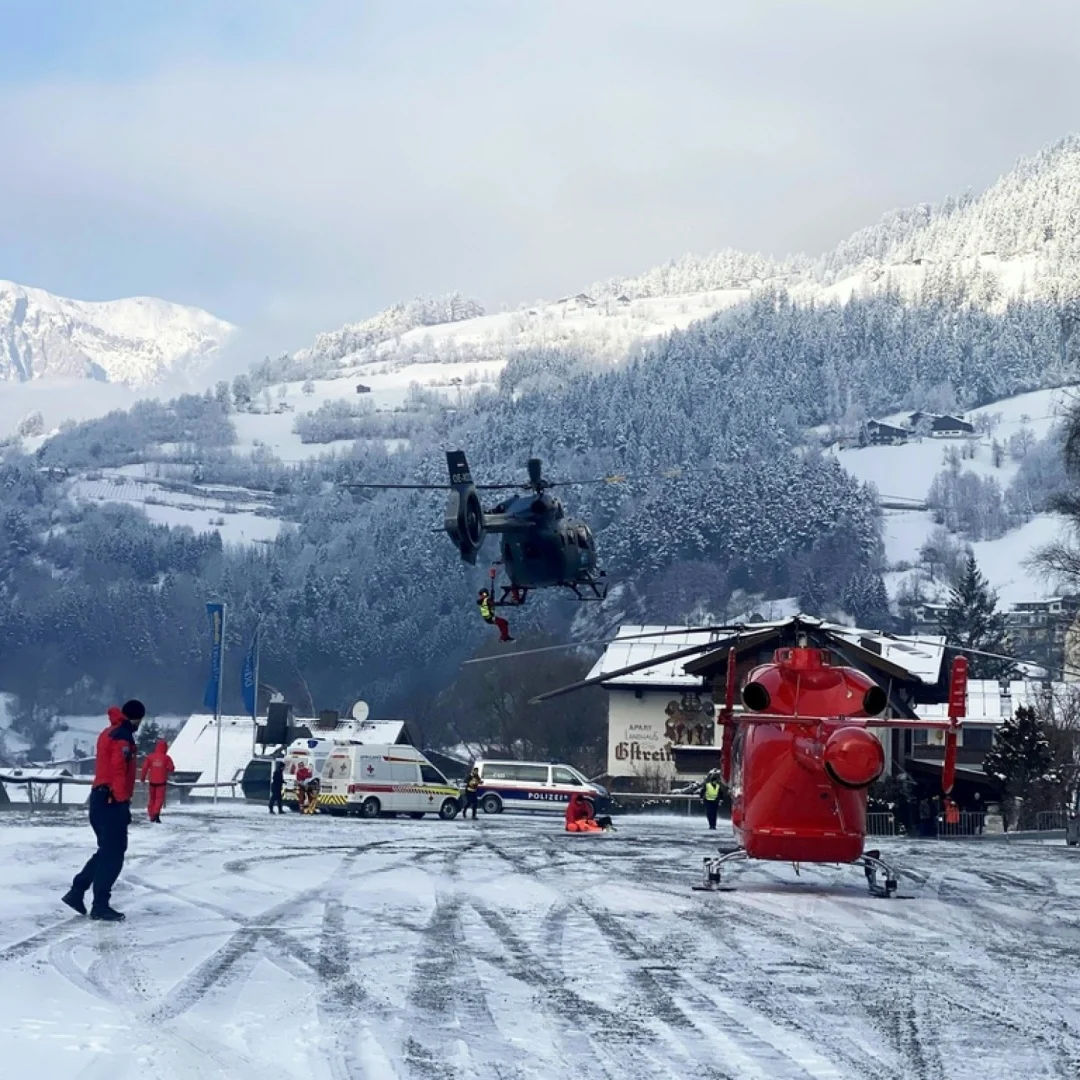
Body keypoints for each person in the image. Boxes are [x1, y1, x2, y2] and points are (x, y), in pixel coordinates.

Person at [62, 700, 145, 922]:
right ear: (136, 718)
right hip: (110, 800)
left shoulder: (109, 731)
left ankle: (77, 890)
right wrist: (121, 802)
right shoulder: (122, 737)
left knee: (106, 850)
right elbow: (119, 770)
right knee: (114, 854)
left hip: (99, 798)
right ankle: (100, 905)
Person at [140, 738, 174, 823]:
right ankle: (156, 814)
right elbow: (171, 768)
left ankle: (151, 815)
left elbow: (144, 768)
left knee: (152, 798)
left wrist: (142, 779)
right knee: (159, 799)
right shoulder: (166, 758)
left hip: (152, 782)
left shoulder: (150, 757)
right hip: (161, 782)